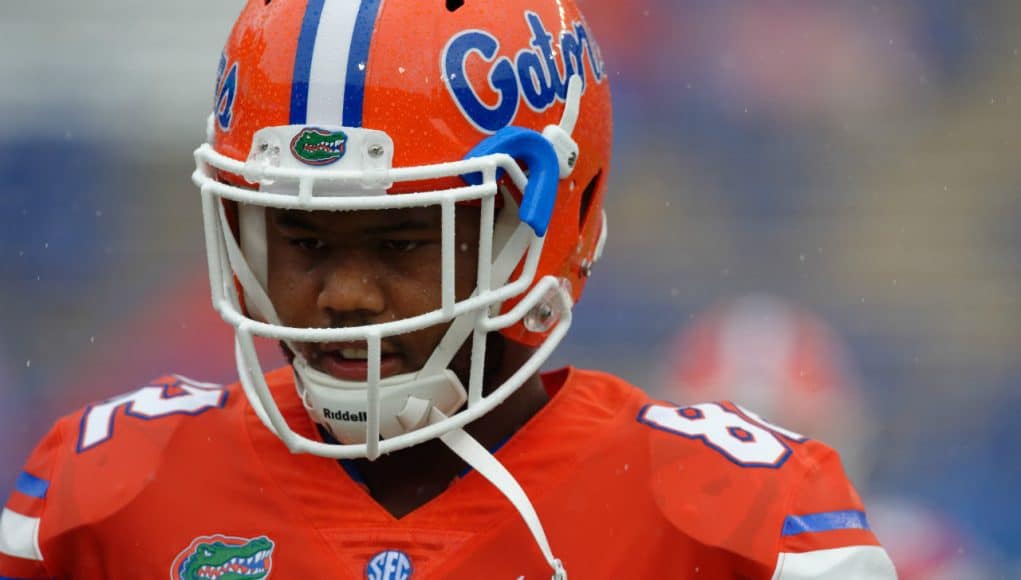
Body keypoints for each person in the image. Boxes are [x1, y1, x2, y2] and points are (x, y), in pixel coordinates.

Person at [0, 1, 896, 578]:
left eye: (400, 237)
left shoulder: (739, 523)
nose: (344, 293)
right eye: (301, 237)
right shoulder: (105, 497)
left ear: (544, 226)